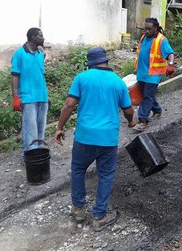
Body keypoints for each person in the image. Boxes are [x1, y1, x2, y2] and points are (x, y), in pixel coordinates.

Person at [54, 47, 136, 231]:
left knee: (78, 170)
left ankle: (78, 210)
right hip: (108, 139)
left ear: (89, 63)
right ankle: (99, 216)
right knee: (105, 175)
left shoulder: (82, 78)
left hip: (84, 137)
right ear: (106, 60)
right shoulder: (117, 82)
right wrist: (131, 122)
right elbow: (128, 110)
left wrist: (59, 128)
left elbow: (69, 105)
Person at [11, 27, 48, 160]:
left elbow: (40, 74)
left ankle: (38, 155)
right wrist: (16, 97)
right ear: (33, 37)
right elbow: (15, 76)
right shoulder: (19, 54)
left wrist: (46, 96)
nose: (43, 38)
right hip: (28, 98)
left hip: (42, 97)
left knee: (40, 130)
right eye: (41, 35)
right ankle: (29, 157)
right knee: (30, 130)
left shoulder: (39, 53)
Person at [132, 17, 175, 132]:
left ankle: (143, 121)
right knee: (146, 95)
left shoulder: (161, 40)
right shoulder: (143, 37)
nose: (146, 31)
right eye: (144, 28)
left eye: (148, 29)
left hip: (154, 74)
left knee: (146, 96)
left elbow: (170, 53)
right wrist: (136, 67)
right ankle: (157, 110)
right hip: (142, 73)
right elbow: (140, 54)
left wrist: (170, 64)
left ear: (155, 28)